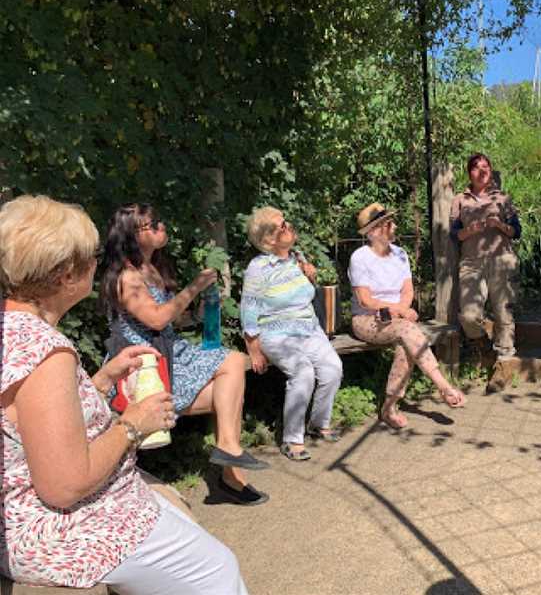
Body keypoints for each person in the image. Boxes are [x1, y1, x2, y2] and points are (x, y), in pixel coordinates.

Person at [0, 195, 248, 594]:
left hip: (34, 512)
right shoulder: (46, 353)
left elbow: (27, 420)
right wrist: (134, 424)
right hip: (60, 528)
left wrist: (99, 381)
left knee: (180, 513)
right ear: (66, 274)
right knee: (218, 569)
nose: (98, 263)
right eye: (91, 255)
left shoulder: (13, 327)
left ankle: (228, 452)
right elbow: (64, 485)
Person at [100, 203, 269, 506]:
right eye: (153, 224)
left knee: (229, 383)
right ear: (131, 234)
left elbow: (170, 318)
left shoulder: (151, 269)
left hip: (171, 353)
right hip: (144, 365)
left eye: (160, 221)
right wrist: (195, 286)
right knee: (231, 368)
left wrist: (198, 310)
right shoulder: (127, 278)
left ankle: (229, 468)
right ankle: (229, 473)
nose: (161, 227)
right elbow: (155, 319)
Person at [349, 203, 466, 428]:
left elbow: (408, 290)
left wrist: (402, 309)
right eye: (388, 224)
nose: (395, 226)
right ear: (373, 231)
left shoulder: (400, 254)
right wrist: (401, 311)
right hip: (367, 319)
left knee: (405, 344)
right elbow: (365, 300)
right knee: (407, 329)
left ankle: (389, 406)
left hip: (398, 321)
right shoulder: (360, 258)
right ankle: (443, 386)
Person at [241, 207, 343, 461]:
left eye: (286, 223)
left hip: (309, 329)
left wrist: (310, 275)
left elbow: (306, 294)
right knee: (303, 372)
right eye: (281, 226)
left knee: (333, 368)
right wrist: (253, 348)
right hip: (277, 334)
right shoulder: (258, 267)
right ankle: (292, 439)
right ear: (268, 240)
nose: (288, 227)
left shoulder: (297, 257)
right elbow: (249, 308)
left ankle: (319, 424)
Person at [450, 153, 522, 392]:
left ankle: (503, 365)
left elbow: (516, 232)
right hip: (471, 263)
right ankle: (484, 347)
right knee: (469, 315)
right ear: (469, 172)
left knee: (503, 314)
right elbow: (454, 235)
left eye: (486, 167)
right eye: (476, 167)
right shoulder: (460, 199)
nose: (482, 171)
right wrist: (471, 229)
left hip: (502, 259)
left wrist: (499, 225)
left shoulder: (502, 198)